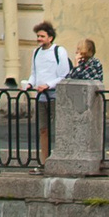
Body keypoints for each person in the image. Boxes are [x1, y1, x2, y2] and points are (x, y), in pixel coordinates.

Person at [26, 20, 69, 157]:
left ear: (50, 38)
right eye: (38, 36)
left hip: (55, 95)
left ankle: (59, 157)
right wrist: (29, 84)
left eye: (42, 36)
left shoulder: (59, 51)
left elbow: (64, 75)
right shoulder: (36, 52)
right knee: (43, 129)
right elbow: (34, 73)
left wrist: (48, 85)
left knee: (58, 129)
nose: (39, 39)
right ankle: (44, 160)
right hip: (41, 96)